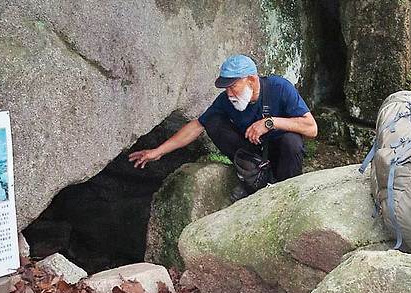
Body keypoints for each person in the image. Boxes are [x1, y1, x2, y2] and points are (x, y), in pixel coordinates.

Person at [128, 55, 317, 196]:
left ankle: (285, 190)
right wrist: (158, 152)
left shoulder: (279, 87)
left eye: (233, 86)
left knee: (291, 140)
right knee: (212, 122)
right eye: (226, 88)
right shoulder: (226, 101)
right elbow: (196, 126)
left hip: (282, 156)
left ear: (251, 80)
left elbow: (312, 128)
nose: (229, 93)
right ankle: (256, 181)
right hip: (255, 156)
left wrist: (270, 123)